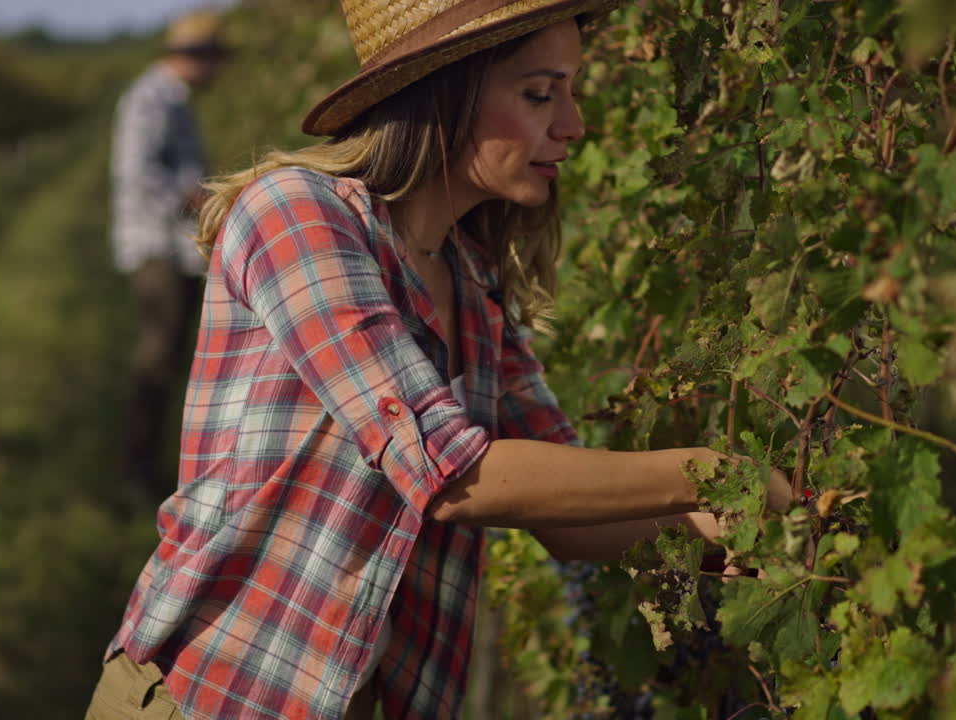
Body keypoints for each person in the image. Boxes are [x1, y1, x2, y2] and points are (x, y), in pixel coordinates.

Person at [86, 1, 792, 718]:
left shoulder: (471, 284)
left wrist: (747, 526)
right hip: (212, 696)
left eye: (571, 92)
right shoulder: (297, 214)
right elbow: (447, 472)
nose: (573, 125)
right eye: (540, 94)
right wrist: (715, 473)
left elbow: (574, 521)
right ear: (445, 95)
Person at [110, 10, 230, 506]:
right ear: (195, 57)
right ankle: (136, 473)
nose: (219, 70)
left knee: (171, 356)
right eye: (215, 58)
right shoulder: (151, 99)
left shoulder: (173, 99)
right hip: (156, 245)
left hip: (173, 247)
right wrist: (193, 199)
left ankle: (153, 469)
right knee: (158, 359)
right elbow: (136, 173)